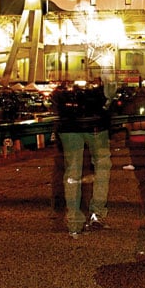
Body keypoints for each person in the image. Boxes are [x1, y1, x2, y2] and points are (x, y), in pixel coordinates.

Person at [51, 81, 112, 238]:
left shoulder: (64, 70)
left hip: (69, 124)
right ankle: (97, 213)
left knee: (72, 170)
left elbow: (55, 97)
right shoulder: (100, 63)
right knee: (102, 166)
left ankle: (74, 221)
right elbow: (110, 93)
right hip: (96, 123)